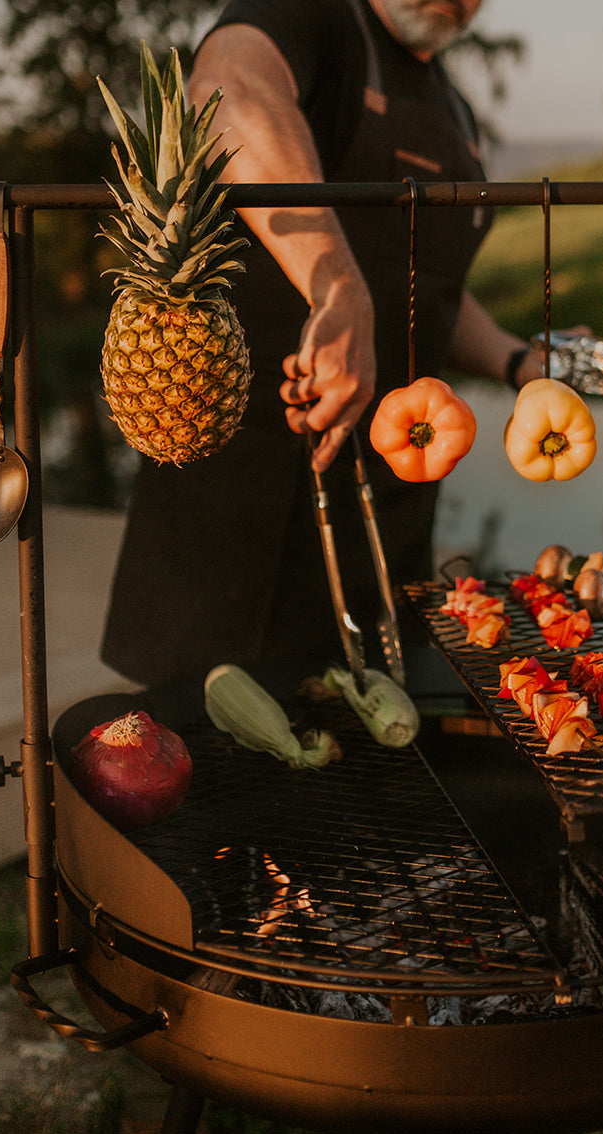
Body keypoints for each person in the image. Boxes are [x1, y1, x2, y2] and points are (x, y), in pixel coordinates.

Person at [100, 0, 547, 694]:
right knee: (210, 768)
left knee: (378, 749)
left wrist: (518, 361)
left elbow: (429, 290)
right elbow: (228, 93)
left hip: (390, 514)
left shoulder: (457, 112)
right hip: (243, 519)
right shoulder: (314, 16)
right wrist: (338, 283)